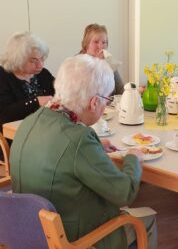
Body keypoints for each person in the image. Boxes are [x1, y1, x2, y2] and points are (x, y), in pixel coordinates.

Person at [10, 54, 157, 249]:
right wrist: (132, 158)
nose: (105, 106)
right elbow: (124, 193)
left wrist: (95, 145)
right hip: (74, 240)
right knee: (148, 218)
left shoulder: (31, 120)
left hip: (29, 232)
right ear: (94, 102)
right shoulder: (79, 140)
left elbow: (61, 152)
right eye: (107, 100)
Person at [0, 31, 54, 132]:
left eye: (42, 58)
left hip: (44, 129)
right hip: (15, 135)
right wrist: (36, 101)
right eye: (33, 61)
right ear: (17, 58)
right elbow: (4, 114)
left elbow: (59, 94)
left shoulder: (43, 74)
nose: (40, 65)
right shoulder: (3, 76)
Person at [79, 23, 125, 94]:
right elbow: (82, 92)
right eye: (96, 42)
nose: (101, 46)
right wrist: (97, 64)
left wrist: (134, 91)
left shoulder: (109, 61)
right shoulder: (77, 62)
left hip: (111, 104)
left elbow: (120, 89)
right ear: (86, 44)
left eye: (104, 42)